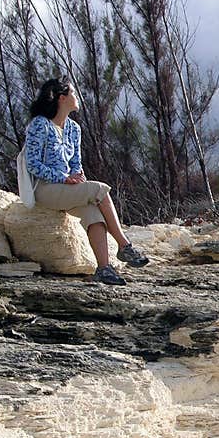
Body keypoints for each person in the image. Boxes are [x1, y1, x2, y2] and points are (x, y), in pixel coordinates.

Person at [25, 75, 149, 285]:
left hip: (68, 189)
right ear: (61, 98)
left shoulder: (74, 129)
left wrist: (78, 177)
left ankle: (103, 268)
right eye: (72, 92)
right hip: (46, 189)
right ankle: (124, 245)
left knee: (93, 216)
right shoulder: (40, 125)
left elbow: (76, 163)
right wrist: (64, 178)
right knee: (100, 190)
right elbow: (33, 164)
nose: (76, 96)